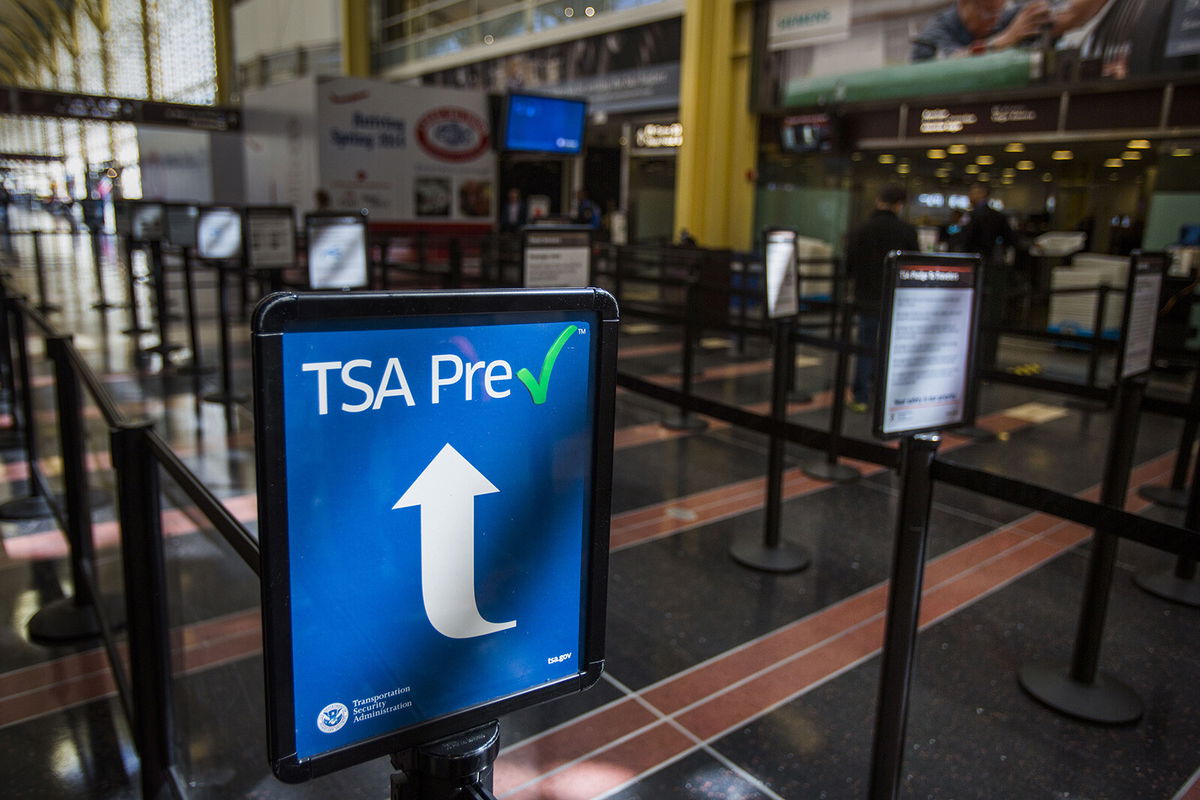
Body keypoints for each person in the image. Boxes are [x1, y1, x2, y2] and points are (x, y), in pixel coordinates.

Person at [844, 185, 919, 412]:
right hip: (895, 297)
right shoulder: (906, 231)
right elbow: (913, 264)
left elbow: (850, 265)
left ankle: (861, 397)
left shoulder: (861, 229)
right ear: (899, 205)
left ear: (878, 200)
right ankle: (884, 393)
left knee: (866, 344)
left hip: (866, 296)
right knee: (890, 345)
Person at [954, 181, 1018, 369]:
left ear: (981, 193)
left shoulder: (973, 216)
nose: (969, 196)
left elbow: (962, 240)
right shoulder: (997, 216)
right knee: (986, 316)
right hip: (990, 269)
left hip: (973, 270)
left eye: (972, 192)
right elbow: (1011, 240)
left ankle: (971, 358)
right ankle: (985, 360)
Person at [911, 0, 1052, 61]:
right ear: (964, 3)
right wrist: (1005, 40)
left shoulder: (999, 17)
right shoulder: (931, 37)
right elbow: (951, 63)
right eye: (988, 14)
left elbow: (1037, 14)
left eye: (999, 12)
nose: (995, 21)